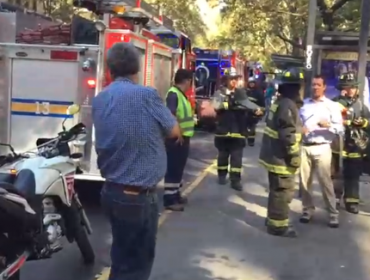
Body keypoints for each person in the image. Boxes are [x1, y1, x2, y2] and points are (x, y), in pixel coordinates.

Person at [92, 42, 181, 280]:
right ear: (137, 69)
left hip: (111, 193)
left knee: (122, 258)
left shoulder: (100, 99)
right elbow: (174, 132)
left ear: (110, 70)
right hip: (136, 197)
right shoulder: (146, 95)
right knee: (136, 265)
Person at [259, 68, 304, 238]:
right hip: (281, 158)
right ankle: (278, 225)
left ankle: (272, 218)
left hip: (273, 155)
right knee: (283, 191)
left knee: (276, 190)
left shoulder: (280, 102)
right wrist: (293, 156)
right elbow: (288, 134)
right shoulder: (288, 105)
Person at [299, 75, 343, 228]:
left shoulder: (332, 106)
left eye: (318, 85)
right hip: (305, 146)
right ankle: (307, 210)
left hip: (323, 146)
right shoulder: (304, 105)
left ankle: (332, 214)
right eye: (313, 85)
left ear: (324, 87)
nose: (315, 87)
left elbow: (340, 129)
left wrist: (328, 125)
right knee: (304, 182)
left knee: (325, 182)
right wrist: (300, 130)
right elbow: (296, 124)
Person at [213, 67, 262, 191]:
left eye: (235, 79)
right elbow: (216, 106)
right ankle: (222, 176)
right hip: (223, 131)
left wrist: (256, 110)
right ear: (226, 80)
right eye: (231, 79)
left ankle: (235, 181)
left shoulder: (241, 93)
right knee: (223, 156)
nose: (234, 81)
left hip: (238, 130)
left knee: (237, 158)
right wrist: (229, 103)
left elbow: (247, 104)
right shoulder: (220, 93)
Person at [331, 72, 370, 214]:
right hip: (337, 145)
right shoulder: (334, 104)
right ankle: (334, 199)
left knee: (353, 175)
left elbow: (369, 124)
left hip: (355, 146)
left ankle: (351, 202)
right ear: (342, 88)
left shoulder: (361, 106)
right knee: (336, 174)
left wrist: (363, 123)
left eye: (353, 87)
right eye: (348, 87)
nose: (351, 90)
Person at [163, 69, 195, 211]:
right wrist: (177, 133)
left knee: (178, 169)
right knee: (173, 168)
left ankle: (175, 194)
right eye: (191, 81)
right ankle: (169, 200)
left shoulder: (181, 95)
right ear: (187, 80)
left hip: (183, 137)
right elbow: (171, 115)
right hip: (176, 139)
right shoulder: (174, 94)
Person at [245, 77, 265, 146]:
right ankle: (244, 139)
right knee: (244, 127)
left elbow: (262, 104)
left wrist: (261, 113)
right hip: (245, 113)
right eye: (250, 83)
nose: (251, 84)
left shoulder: (258, 93)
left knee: (252, 129)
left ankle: (251, 141)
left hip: (254, 113)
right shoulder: (245, 91)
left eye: (252, 83)